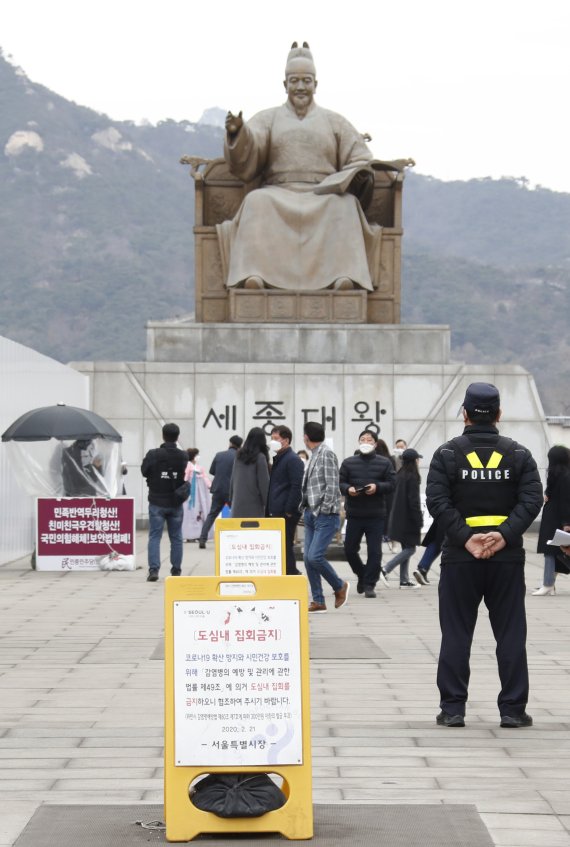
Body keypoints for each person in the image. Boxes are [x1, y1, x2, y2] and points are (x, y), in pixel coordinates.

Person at [217, 42, 381, 292]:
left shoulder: (335, 122)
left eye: (306, 81)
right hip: (278, 192)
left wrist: (356, 173)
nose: (301, 87)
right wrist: (238, 132)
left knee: (346, 205)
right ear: (285, 85)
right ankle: (254, 275)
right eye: (294, 81)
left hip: (323, 194)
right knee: (256, 201)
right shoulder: (268, 118)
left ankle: (344, 276)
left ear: (316, 84)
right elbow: (250, 148)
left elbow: (359, 156)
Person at [426, 382, 543, 728]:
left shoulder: (447, 455)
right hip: (506, 560)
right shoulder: (518, 455)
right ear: (499, 414)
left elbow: (437, 502)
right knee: (510, 633)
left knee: (457, 633)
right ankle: (512, 710)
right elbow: (532, 499)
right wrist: (505, 536)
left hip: (461, 558)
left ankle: (452, 709)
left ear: (464, 413)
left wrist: (466, 539)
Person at [339, 430, 395, 597]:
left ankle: (370, 584)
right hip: (354, 514)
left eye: (369, 440)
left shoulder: (385, 463)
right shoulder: (349, 463)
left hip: (376, 514)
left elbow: (392, 483)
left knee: (375, 551)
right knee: (349, 550)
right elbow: (341, 482)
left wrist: (377, 487)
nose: (365, 442)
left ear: (375, 444)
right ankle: (362, 574)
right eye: (362, 439)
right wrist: (348, 489)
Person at [300, 421, 349, 613]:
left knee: (314, 556)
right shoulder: (315, 454)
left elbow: (332, 485)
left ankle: (339, 586)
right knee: (307, 558)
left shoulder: (326, 453)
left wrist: (325, 509)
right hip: (311, 513)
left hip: (324, 515)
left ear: (306, 437)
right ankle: (318, 600)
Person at [141, 422, 189, 582]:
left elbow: (144, 471)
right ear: (177, 437)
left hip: (156, 501)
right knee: (176, 537)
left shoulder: (153, 454)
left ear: (163, 435)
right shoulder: (183, 456)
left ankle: (154, 570)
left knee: (155, 536)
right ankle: (176, 570)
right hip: (175, 502)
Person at [267, 425, 305, 575]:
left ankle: (292, 574)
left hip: (286, 512)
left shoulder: (293, 460)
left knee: (285, 545)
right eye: (272, 438)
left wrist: (289, 510)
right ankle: (288, 573)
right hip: (277, 510)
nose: (273, 442)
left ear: (286, 440)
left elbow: (296, 487)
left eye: (276, 439)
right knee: (281, 545)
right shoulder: (279, 459)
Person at [382, 448, 423, 588]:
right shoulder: (412, 477)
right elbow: (414, 501)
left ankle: (404, 580)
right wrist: (419, 518)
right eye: (418, 459)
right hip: (409, 518)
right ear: (414, 461)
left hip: (399, 516)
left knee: (407, 547)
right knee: (411, 549)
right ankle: (385, 568)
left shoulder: (400, 474)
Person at [533, 445, 570, 595]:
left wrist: (566, 523)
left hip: (557, 519)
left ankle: (548, 584)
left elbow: (565, 500)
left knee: (552, 551)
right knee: (554, 551)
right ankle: (549, 584)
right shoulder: (559, 474)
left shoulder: (564, 476)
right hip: (553, 518)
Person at [198, 435, 243, 549]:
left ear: (230, 443)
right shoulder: (240, 457)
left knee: (212, 514)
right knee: (236, 515)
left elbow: (212, 471)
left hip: (218, 489)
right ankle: (235, 538)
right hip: (233, 490)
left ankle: (202, 539)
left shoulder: (219, 455)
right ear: (240, 445)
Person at [229, 427, 270, 518]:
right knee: (253, 531)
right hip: (254, 506)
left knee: (239, 531)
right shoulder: (260, 457)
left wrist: (232, 499)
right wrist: (268, 505)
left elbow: (233, 479)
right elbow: (264, 484)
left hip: (237, 504)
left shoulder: (239, 456)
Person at [182, 448, 212, 542]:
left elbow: (205, 477)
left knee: (200, 511)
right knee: (190, 512)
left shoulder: (199, 467)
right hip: (191, 493)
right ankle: (190, 535)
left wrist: (210, 486)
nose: (198, 456)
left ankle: (199, 534)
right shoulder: (187, 466)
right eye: (197, 454)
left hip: (200, 493)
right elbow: (185, 478)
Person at [413, 519, 445, 585]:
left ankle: (422, 568)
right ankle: (423, 569)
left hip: (442, 517)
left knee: (437, 541)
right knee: (441, 542)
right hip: (455, 518)